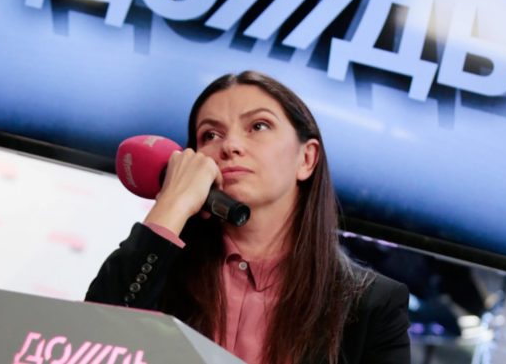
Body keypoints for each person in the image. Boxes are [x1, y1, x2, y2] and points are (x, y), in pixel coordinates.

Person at [85, 71, 410, 364]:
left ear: (306, 159)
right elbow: (88, 339)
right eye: (210, 135)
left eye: (258, 126)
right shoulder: (161, 269)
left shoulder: (372, 304)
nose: (230, 146)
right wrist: (173, 203)